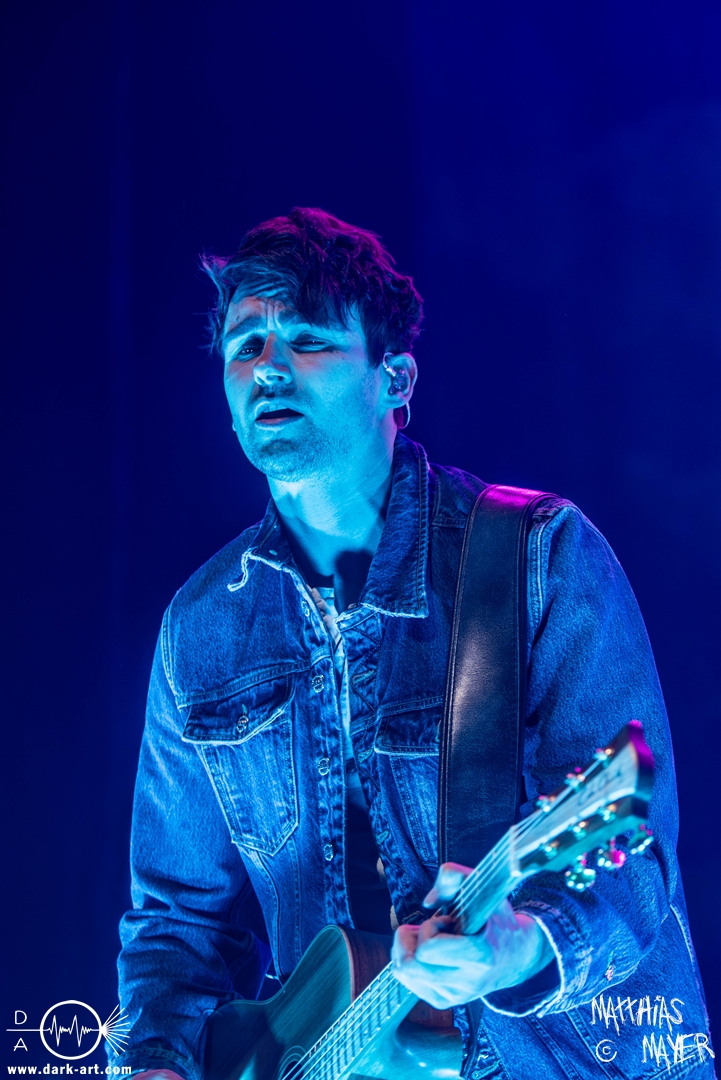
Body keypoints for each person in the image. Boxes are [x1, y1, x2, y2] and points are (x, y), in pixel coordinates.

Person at [115, 208, 714, 1080]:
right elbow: (175, 924)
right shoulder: (200, 626)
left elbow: (628, 857)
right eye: (245, 347)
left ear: (394, 378)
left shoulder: (534, 556)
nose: (269, 367)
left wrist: (520, 947)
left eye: (309, 340)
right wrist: (157, 1062)